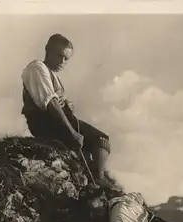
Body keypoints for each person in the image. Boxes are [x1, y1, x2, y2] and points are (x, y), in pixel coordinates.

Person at [21, 33, 114, 189]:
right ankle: (99, 179)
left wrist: (67, 105)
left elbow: (57, 101)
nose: (62, 62)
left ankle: (97, 177)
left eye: (66, 59)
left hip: (57, 120)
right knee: (99, 139)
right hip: (46, 122)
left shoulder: (52, 75)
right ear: (47, 50)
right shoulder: (37, 67)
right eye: (59, 55)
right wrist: (71, 132)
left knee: (99, 141)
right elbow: (50, 103)